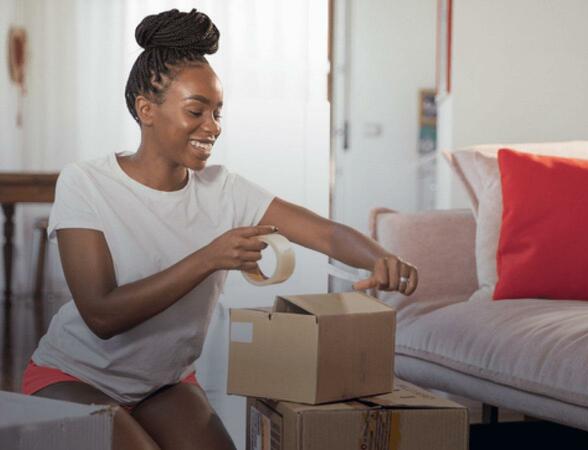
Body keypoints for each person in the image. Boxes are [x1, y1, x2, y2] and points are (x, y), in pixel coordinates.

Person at [22, 9, 418, 450]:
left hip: (163, 383)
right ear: (146, 109)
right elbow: (102, 315)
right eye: (197, 111)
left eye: (217, 112)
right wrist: (210, 257)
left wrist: (380, 257)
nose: (213, 127)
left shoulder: (223, 189)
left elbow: (325, 233)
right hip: (74, 377)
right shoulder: (86, 182)